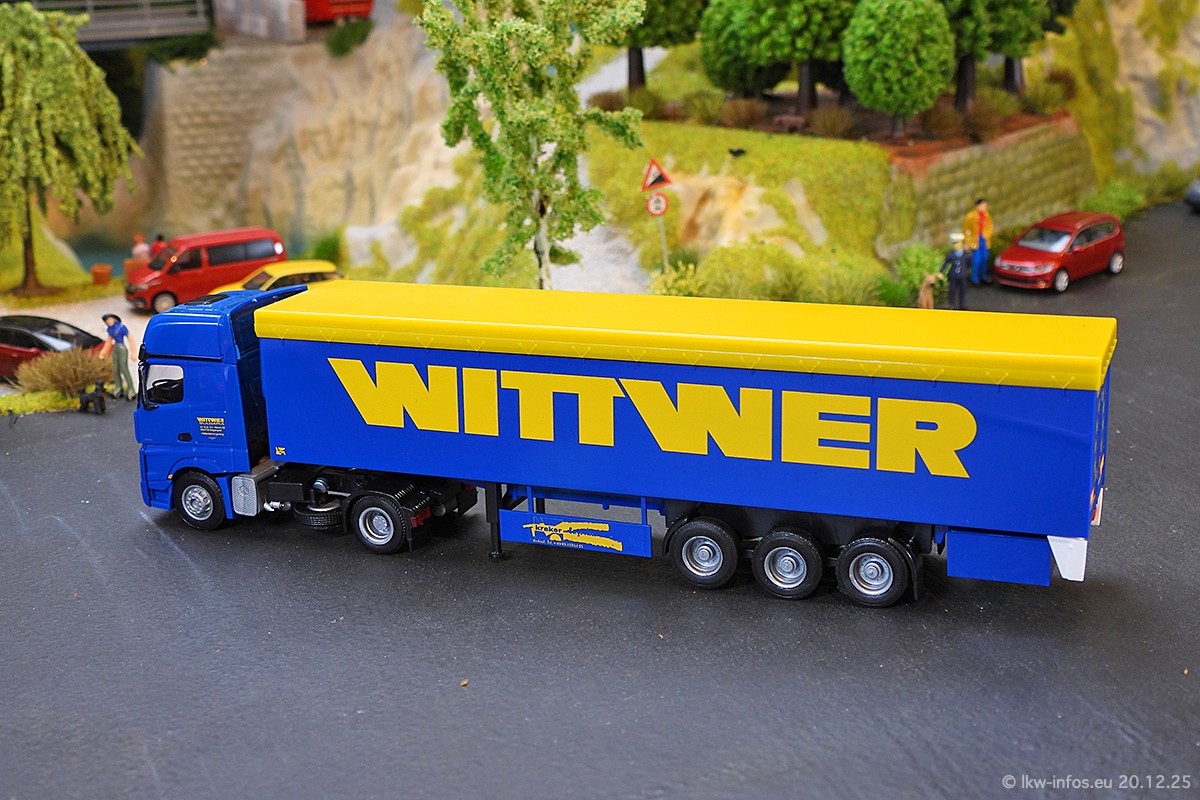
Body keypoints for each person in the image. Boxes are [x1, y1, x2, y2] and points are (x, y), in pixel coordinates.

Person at [102, 314, 138, 400]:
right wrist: (103, 352)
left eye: (109, 320)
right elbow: (109, 341)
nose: (108, 322)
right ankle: (118, 387)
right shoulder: (110, 329)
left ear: (114, 319)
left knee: (124, 368)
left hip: (122, 348)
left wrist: (133, 352)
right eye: (106, 321)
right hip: (116, 348)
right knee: (115, 369)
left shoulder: (121, 327)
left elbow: (130, 339)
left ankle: (131, 389)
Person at [962, 198, 993, 285]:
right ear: (977, 206)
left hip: (984, 239)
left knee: (984, 258)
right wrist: (969, 241)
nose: (984, 208)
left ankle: (983, 275)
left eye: (985, 206)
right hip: (975, 240)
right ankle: (974, 278)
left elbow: (990, 227)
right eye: (982, 206)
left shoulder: (987, 215)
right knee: (976, 260)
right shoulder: (970, 216)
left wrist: (986, 235)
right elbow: (966, 230)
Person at [940, 232, 969, 310]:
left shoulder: (966, 254)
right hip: (953, 275)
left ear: (961, 243)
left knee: (962, 290)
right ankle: (951, 304)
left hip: (962, 276)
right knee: (952, 290)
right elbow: (945, 263)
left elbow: (970, 263)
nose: (956, 245)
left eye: (958, 243)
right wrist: (941, 272)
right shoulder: (951, 254)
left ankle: (961, 305)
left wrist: (966, 270)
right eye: (954, 243)